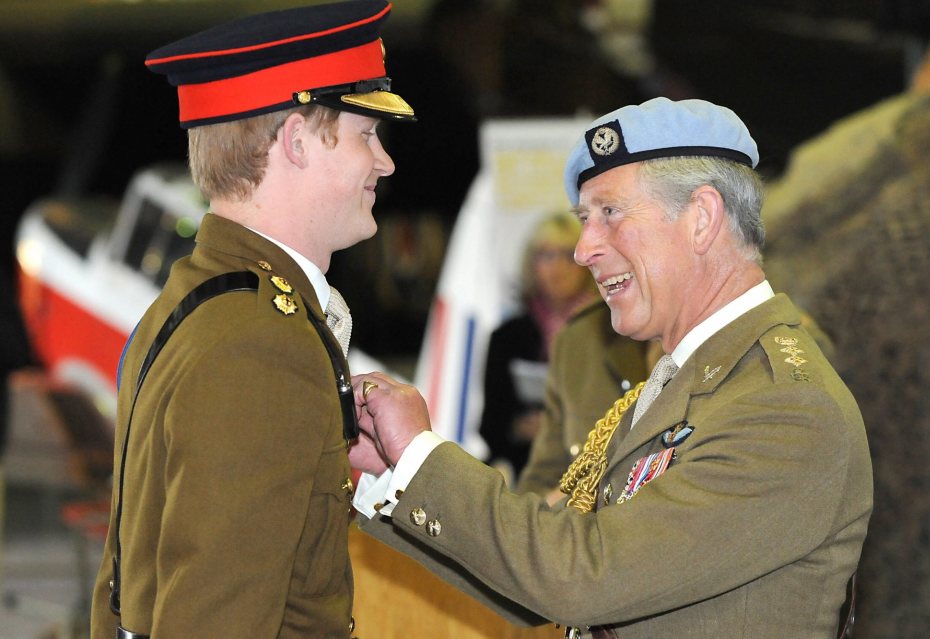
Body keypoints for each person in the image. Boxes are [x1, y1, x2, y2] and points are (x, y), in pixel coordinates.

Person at [349, 97, 873, 638]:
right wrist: (390, 470)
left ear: (702, 219)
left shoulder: (783, 407)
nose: (583, 250)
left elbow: (582, 578)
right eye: (584, 220)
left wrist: (421, 456)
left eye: (610, 214)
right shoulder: (691, 381)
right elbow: (544, 570)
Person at [90, 2, 414, 637]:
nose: (385, 162)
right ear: (296, 141)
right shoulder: (260, 343)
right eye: (365, 135)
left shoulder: (197, 302)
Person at [479, 211, 598, 482]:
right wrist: (519, 428)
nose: (557, 267)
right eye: (546, 255)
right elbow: (489, 426)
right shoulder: (507, 336)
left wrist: (564, 427)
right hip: (525, 463)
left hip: (592, 464)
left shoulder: (610, 330)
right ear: (531, 264)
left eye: (568, 254)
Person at [514, 301, 656, 502]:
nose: (589, 266)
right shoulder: (579, 339)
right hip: (577, 526)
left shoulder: (705, 342)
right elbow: (543, 476)